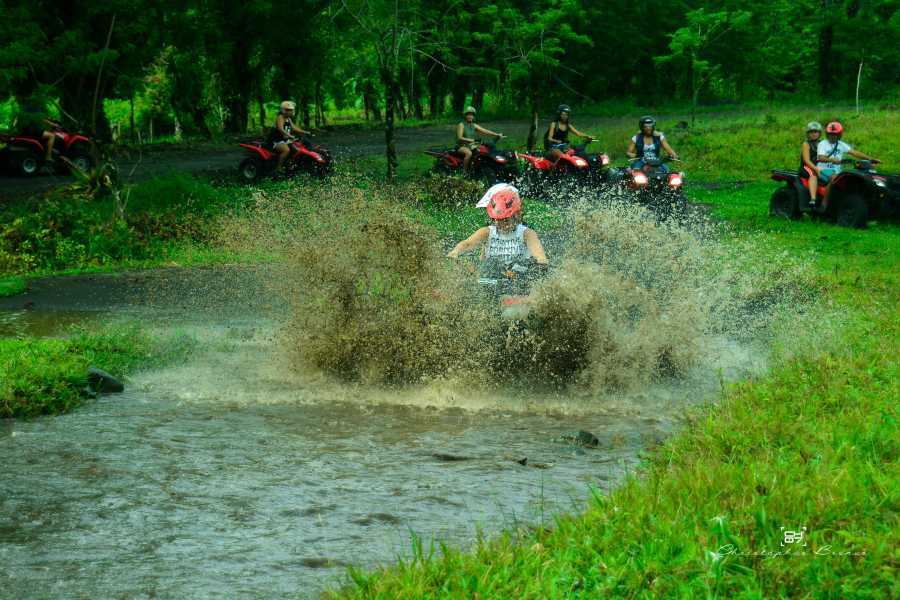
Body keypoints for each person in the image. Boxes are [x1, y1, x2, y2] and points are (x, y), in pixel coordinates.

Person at [447, 184, 548, 264]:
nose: (502, 224)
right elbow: (467, 243)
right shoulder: (487, 232)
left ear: (516, 216)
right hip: (489, 277)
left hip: (517, 279)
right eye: (498, 220)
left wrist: (541, 260)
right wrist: (456, 251)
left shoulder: (527, 233)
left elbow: (538, 252)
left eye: (505, 220)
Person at [816, 121, 878, 186]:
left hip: (837, 171)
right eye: (830, 134)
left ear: (839, 135)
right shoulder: (823, 143)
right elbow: (821, 158)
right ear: (827, 134)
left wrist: (871, 159)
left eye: (835, 134)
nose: (832, 136)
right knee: (837, 179)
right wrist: (833, 160)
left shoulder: (841, 144)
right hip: (823, 169)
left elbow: (854, 152)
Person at [455, 106, 503, 174]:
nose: (470, 116)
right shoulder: (461, 125)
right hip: (461, 146)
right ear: (465, 115)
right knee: (469, 153)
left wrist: (496, 134)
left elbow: (485, 131)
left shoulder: (473, 125)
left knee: (483, 150)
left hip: (471, 145)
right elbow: (459, 138)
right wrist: (472, 140)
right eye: (468, 114)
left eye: (471, 114)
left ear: (473, 116)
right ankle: (464, 172)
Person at [266, 100, 311, 172]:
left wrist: (305, 132)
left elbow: (294, 128)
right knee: (286, 150)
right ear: (284, 110)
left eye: (292, 110)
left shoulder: (288, 119)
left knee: (297, 150)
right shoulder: (280, 117)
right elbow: (280, 129)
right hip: (276, 141)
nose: (291, 112)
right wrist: (289, 135)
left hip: (284, 140)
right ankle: (278, 168)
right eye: (289, 110)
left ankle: (290, 165)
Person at [799, 121, 823, 204]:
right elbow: (806, 160)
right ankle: (813, 199)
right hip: (807, 167)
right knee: (813, 175)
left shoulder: (822, 143)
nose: (814, 134)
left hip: (818, 166)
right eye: (811, 132)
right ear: (808, 134)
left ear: (819, 133)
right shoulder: (806, 144)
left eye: (816, 132)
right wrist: (816, 169)